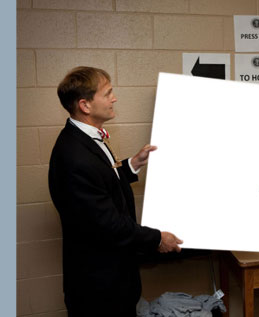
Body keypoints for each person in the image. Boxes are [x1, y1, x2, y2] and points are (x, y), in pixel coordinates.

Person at [48, 66, 183, 317]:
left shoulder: (85, 138)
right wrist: (157, 238)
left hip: (112, 280)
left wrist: (133, 164)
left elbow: (102, 178)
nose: (114, 98)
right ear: (85, 105)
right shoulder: (74, 156)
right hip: (98, 290)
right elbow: (107, 224)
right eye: (108, 93)